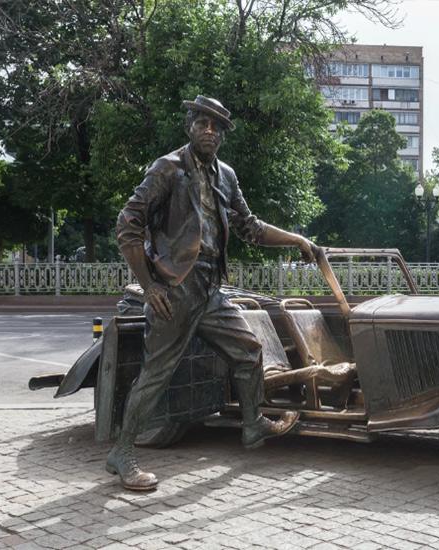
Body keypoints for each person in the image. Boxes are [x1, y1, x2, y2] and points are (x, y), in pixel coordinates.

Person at [108, 95, 316, 491]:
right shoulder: (167, 169)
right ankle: (122, 451)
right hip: (175, 288)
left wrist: (296, 239)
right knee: (156, 374)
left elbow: (250, 227)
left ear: (222, 135)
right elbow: (127, 225)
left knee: (248, 350)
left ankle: (253, 426)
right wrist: (150, 286)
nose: (209, 131)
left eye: (216, 126)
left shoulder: (226, 176)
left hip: (210, 287)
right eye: (203, 123)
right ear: (189, 125)